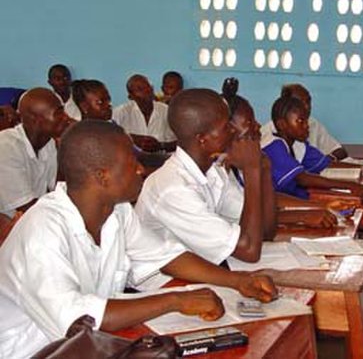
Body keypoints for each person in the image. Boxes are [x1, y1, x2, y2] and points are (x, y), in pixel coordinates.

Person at [0, 120, 276, 359]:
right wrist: (176, 300)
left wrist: (238, 281)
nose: (141, 169)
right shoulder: (43, 230)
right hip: (33, 351)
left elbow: (166, 256)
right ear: (102, 176)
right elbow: (78, 319)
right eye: (131, 163)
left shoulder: (117, 212)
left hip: (90, 346)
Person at [135, 88, 277, 273]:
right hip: (161, 284)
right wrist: (252, 170)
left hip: (200, 273)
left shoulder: (213, 172)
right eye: (226, 126)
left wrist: (263, 171)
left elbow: (264, 232)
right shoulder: (173, 188)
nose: (234, 130)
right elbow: (249, 250)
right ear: (202, 139)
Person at [221, 77, 341, 229]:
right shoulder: (271, 146)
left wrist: (316, 206)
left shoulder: (239, 163)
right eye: (250, 122)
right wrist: (307, 213)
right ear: (226, 131)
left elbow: (265, 199)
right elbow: (258, 222)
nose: (258, 126)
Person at [262, 95, 363, 205]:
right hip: (273, 208)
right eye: (300, 121)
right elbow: (302, 179)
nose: (307, 126)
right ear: (282, 125)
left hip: (295, 201)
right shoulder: (274, 147)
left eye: (306, 121)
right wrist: (351, 186)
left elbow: (328, 164)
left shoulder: (298, 145)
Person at [0, 88, 73, 217]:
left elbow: (59, 190)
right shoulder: (6, 146)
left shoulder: (48, 142)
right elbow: (26, 207)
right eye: (59, 113)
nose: (66, 118)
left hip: (33, 220)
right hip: (10, 227)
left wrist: (64, 149)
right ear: (35, 119)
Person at [71, 79, 169, 172]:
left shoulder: (110, 126)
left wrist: (170, 160)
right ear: (84, 106)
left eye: (108, 100)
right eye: (101, 102)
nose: (108, 105)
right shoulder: (85, 137)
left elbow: (138, 155)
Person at [261, 83, 348, 160]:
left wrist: (327, 160)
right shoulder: (271, 142)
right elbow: (300, 175)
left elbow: (337, 151)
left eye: (308, 101)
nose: (307, 107)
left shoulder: (302, 145)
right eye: (300, 102)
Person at [112, 74, 176, 153]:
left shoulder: (166, 111)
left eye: (149, 87)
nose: (147, 91)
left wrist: (160, 145)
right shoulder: (120, 113)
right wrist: (131, 138)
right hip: (132, 162)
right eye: (140, 89)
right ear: (130, 97)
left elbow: (179, 143)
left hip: (163, 162)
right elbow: (109, 137)